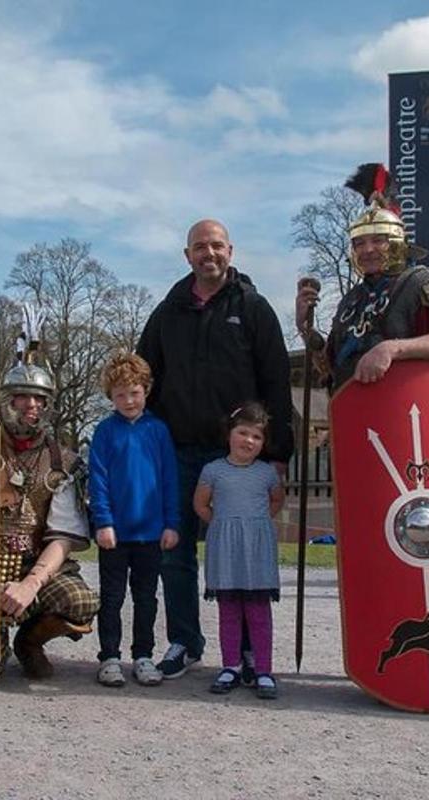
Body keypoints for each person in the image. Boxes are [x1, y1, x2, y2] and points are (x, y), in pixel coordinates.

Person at [138, 219, 294, 680]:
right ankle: (185, 640)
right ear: (187, 255)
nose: (209, 253)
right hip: (178, 451)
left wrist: (278, 453)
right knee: (174, 552)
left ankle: (246, 651)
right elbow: (144, 377)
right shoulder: (167, 312)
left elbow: (277, 383)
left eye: (217, 246)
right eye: (200, 247)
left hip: (240, 459)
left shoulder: (254, 308)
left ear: (231, 251)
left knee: (242, 552)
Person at [295, 163, 429, 391]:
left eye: (378, 240)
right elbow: (330, 369)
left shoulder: (421, 282)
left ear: (395, 242)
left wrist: (392, 349)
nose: (368, 249)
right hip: (358, 413)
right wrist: (305, 327)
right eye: (360, 243)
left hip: (405, 407)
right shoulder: (351, 301)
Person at [0, 339, 101, 680]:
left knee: (80, 602)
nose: (32, 405)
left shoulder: (62, 461)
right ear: (6, 399)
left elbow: (62, 539)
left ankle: (29, 642)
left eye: (39, 398)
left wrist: (29, 584)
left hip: (35, 563)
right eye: (23, 396)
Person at [87, 352, 180, 687]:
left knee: (146, 597)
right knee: (112, 597)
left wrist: (172, 523)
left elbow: (170, 479)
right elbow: (97, 479)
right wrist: (103, 522)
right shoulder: (104, 432)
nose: (128, 400)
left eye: (134, 392)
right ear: (110, 397)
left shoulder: (158, 431)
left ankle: (143, 655)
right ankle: (109, 656)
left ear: (147, 390)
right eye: (121, 394)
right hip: (115, 532)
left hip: (151, 532)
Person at [194, 402, 286, 699]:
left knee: (259, 612)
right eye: (243, 433)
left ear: (263, 443)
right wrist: (224, 524)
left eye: (257, 437)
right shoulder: (213, 470)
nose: (249, 441)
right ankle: (230, 665)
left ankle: (263, 670)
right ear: (230, 434)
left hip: (256, 549)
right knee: (229, 611)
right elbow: (200, 504)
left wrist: (254, 525)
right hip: (226, 548)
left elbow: (276, 502)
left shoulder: (267, 474)